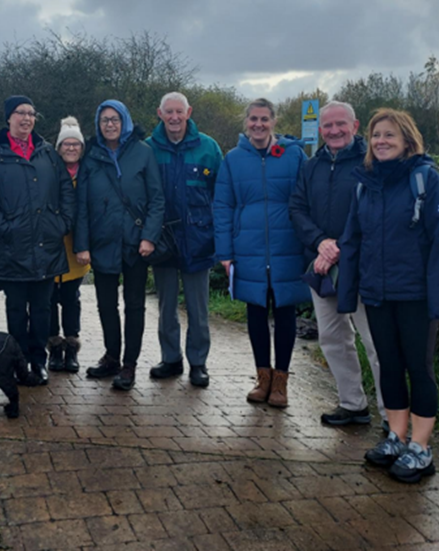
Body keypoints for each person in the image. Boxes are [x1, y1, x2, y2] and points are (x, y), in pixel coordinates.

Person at [337, 108, 439, 483]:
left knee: (418, 369)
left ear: (407, 140)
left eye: (389, 135)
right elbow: (352, 241)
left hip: (416, 296)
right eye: (376, 136)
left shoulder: (427, 180)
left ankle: (420, 448)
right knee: (388, 366)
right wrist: (348, 293)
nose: (381, 141)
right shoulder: (365, 184)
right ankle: (396, 437)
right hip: (377, 293)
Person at [289, 101, 386, 427]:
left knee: (375, 343)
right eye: (328, 126)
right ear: (320, 131)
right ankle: (353, 404)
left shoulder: (371, 164)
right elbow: (297, 209)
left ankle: (393, 417)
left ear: (355, 126)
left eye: (340, 124)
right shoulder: (311, 166)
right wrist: (320, 243)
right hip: (322, 267)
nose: (334, 131)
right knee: (332, 338)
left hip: (362, 267)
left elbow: (375, 214)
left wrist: (341, 247)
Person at [0, 96, 75, 386]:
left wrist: (62, 223)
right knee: (16, 309)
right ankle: (18, 362)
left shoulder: (47, 154)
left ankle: (38, 361)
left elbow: (66, 189)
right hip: (11, 247)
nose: (27, 118)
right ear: (9, 118)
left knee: (42, 309)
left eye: (31, 113)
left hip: (46, 245)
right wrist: (3, 227)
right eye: (21, 113)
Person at [214, 98, 307, 408]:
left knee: (285, 313)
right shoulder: (233, 159)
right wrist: (225, 252)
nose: (258, 124)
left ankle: (281, 383)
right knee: (255, 312)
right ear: (246, 122)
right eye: (253, 119)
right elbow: (223, 205)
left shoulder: (294, 156)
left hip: (287, 246)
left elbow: (307, 201)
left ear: (274, 122)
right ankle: (262, 378)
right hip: (248, 248)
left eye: (264, 119)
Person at [75, 100, 164, 391]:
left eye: (115, 119)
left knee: (135, 305)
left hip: (136, 243)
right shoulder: (91, 157)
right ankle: (111, 356)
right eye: (104, 120)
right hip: (102, 243)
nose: (110, 125)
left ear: (124, 121)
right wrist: (82, 244)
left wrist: (149, 236)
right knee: (105, 305)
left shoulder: (143, 153)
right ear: (98, 125)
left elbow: (156, 199)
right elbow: (83, 205)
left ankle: (129, 364)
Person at [146, 92, 223, 388]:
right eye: (169, 112)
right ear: (160, 113)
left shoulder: (208, 148)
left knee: (198, 307)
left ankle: (198, 363)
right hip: (163, 240)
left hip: (198, 238)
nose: (175, 117)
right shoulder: (149, 149)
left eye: (180, 111)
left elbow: (222, 193)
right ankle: (170, 358)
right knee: (166, 305)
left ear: (189, 112)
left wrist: (219, 234)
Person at [47, 117, 90, 373]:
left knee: (71, 299)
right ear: (59, 147)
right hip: (52, 247)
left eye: (76, 144)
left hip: (77, 249)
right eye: (66, 144)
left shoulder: (88, 173)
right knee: (49, 300)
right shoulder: (49, 171)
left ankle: (72, 345)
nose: (71, 148)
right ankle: (53, 346)